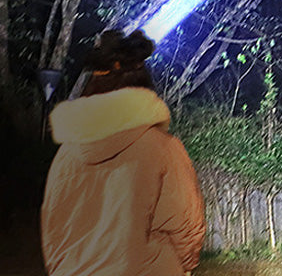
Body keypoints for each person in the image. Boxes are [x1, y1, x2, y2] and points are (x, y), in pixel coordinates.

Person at [41, 30, 205, 276]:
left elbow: (52, 230)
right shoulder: (164, 148)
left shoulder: (67, 154)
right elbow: (186, 226)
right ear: (143, 86)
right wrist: (180, 268)